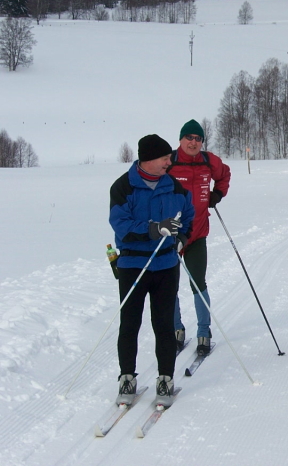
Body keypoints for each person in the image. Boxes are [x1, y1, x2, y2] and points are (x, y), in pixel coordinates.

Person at [109, 134, 195, 407]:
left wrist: (182, 237)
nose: (169, 162)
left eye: (169, 158)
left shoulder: (174, 186)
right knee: (130, 324)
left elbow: (188, 215)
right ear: (148, 159)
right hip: (133, 265)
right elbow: (121, 225)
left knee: (164, 324)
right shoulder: (123, 187)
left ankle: (165, 379)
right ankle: (127, 378)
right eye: (164, 158)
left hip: (165, 265)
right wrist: (155, 229)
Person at [168, 119, 231, 356]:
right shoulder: (170, 161)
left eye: (198, 139)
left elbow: (224, 174)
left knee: (198, 283)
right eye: (189, 138)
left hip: (197, 234)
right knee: (169, 285)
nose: (193, 142)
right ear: (181, 139)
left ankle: (204, 332)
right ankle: (176, 329)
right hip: (172, 236)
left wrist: (217, 194)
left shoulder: (208, 160)